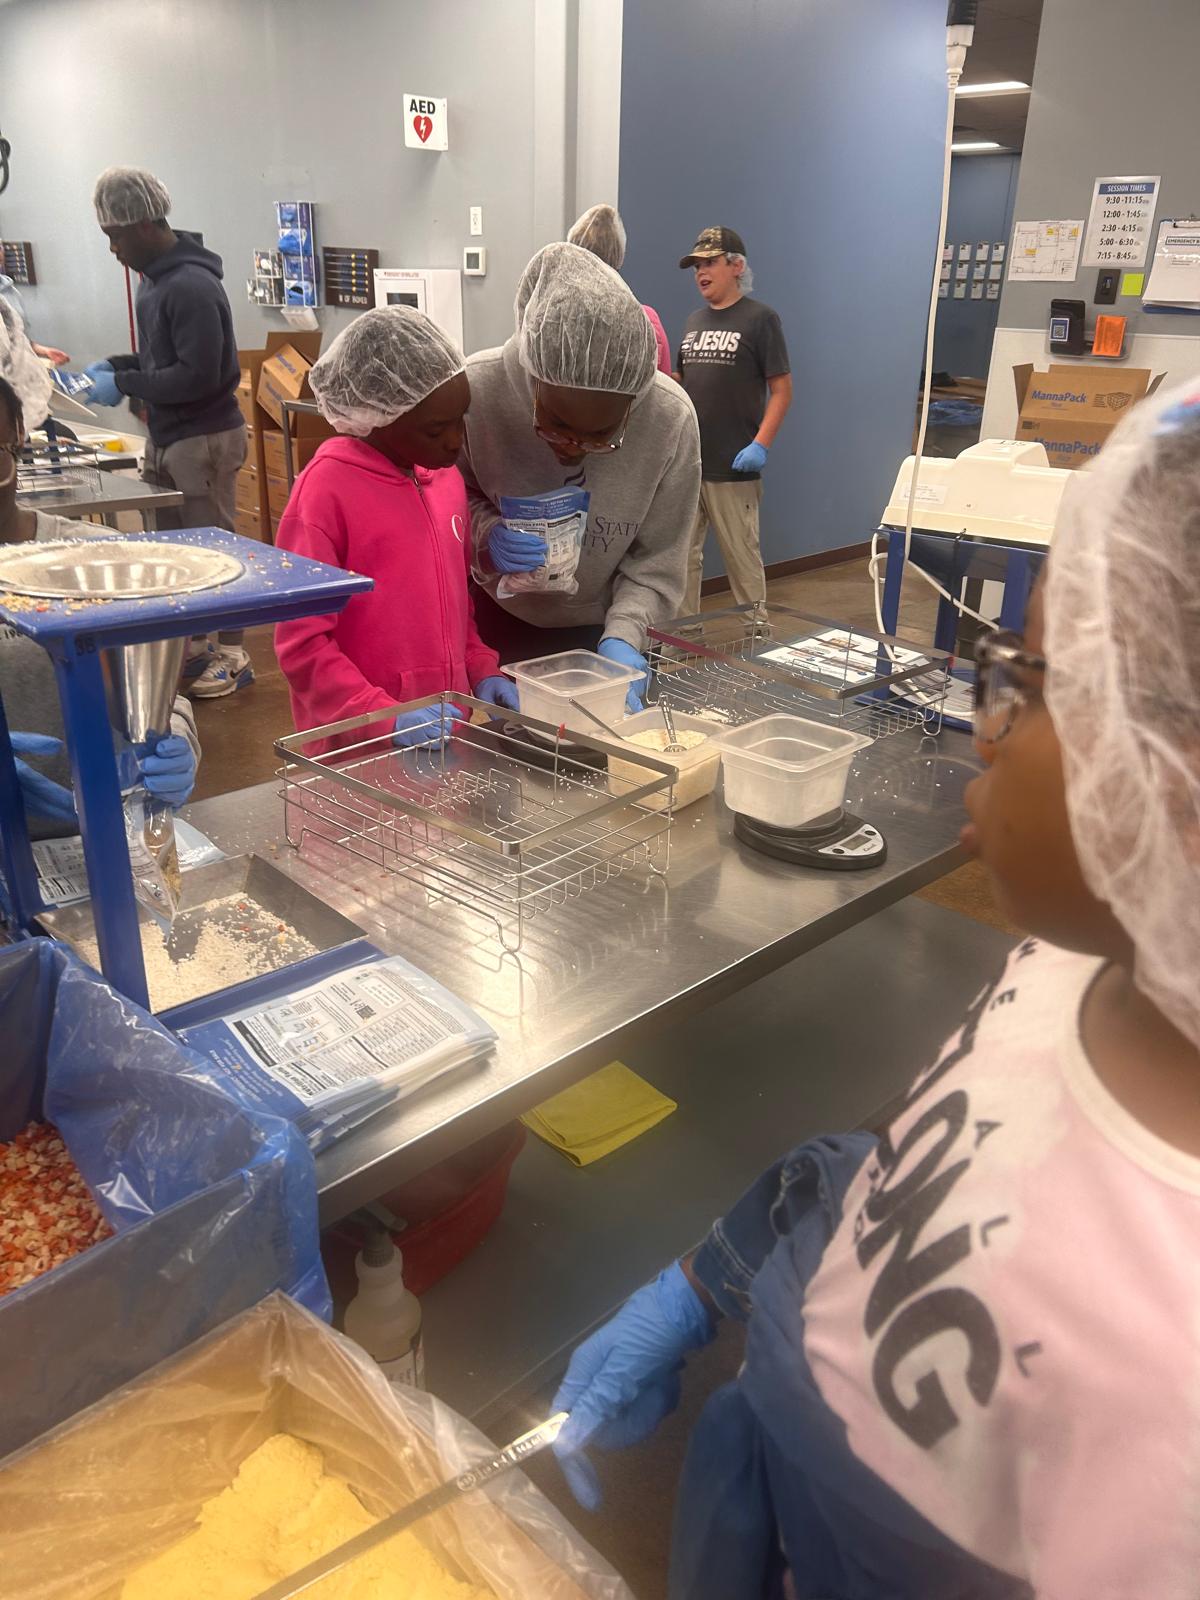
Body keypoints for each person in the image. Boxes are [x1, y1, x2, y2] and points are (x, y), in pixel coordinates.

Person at [550, 378, 1200, 1597]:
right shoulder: (1066, 968)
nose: (981, 723)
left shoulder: (1175, 1389)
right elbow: (929, 1165)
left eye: (1024, 678)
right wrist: (708, 1281)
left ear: (1180, 789)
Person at [461, 242, 701, 710]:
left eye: (600, 436)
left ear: (634, 404)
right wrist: (486, 537)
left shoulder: (670, 420)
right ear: (532, 380)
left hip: (605, 624)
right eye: (555, 424)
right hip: (491, 622)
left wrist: (627, 638)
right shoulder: (477, 393)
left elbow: (658, 558)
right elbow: (446, 499)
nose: (572, 446)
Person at [274, 307, 516, 757]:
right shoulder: (325, 493)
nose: (455, 441)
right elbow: (301, 644)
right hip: (356, 752)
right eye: (434, 428)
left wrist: (481, 668)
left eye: (460, 418)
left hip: (444, 736)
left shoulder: (445, 483)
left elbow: (453, 606)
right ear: (378, 414)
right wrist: (381, 715)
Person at [0, 372, 197, 839]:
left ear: (19, 439)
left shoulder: (101, 561)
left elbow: (156, 688)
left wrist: (176, 738)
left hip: (109, 837)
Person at [85, 165, 251, 699]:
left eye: (115, 236)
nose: (113, 249)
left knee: (216, 548)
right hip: (169, 434)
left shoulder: (192, 285)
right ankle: (198, 643)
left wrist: (129, 381)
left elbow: (201, 374)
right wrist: (119, 364)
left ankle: (234, 653)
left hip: (203, 438)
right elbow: (168, 358)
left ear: (145, 224)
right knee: (178, 551)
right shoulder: (154, 284)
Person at [675, 226, 792, 615]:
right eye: (696, 266)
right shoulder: (694, 321)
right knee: (683, 561)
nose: (701, 272)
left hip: (734, 466)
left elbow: (781, 390)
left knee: (742, 561)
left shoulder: (760, 319)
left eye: (710, 262)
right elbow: (683, 383)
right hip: (691, 465)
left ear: (736, 266)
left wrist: (761, 444)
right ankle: (682, 640)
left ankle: (756, 642)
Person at [567, 203, 672, 376]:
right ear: (619, 257)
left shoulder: (557, 320)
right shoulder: (646, 323)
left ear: (573, 254)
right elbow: (664, 392)